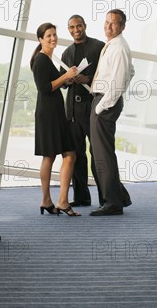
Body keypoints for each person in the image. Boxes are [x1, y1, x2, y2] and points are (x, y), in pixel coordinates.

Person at [30, 22, 81, 217]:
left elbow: (54, 84)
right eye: (48, 35)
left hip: (54, 112)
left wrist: (67, 79)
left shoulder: (48, 59)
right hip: (49, 114)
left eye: (54, 35)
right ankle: (59, 201)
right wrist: (65, 76)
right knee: (64, 155)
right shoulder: (41, 60)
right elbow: (44, 88)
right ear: (41, 39)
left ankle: (51, 200)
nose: (53, 38)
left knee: (56, 156)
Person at [89, 9, 135, 216]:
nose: (108, 26)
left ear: (123, 26)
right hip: (102, 100)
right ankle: (119, 197)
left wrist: (101, 106)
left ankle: (112, 204)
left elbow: (117, 82)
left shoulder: (119, 48)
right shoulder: (113, 45)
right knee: (102, 153)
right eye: (106, 22)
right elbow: (130, 72)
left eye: (114, 23)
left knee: (102, 155)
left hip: (105, 103)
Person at [61, 15, 105, 207]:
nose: (76, 29)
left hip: (92, 105)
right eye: (72, 27)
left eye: (79, 26)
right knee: (76, 153)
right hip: (72, 108)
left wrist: (88, 79)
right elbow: (62, 82)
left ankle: (106, 198)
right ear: (69, 29)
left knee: (97, 152)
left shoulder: (99, 47)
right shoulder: (66, 53)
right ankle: (81, 197)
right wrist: (69, 80)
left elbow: (108, 73)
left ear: (84, 26)